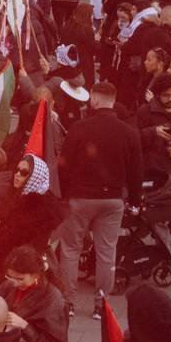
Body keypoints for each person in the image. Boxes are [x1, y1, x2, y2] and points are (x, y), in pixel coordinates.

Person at [55, 80, 142, 310]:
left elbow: (63, 165)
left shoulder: (79, 128)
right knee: (107, 252)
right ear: (114, 101)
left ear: (94, 99)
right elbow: (136, 173)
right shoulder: (129, 133)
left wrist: (64, 195)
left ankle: (68, 302)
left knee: (71, 249)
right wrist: (134, 201)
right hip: (112, 200)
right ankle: (100, 305)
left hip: (80, 197)